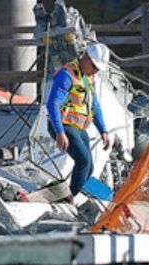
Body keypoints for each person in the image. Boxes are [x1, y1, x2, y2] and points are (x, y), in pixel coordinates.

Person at [45, 43, 111, 200]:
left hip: (78, 128)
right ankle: (68, 198)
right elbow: (52, 104)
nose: (95, 70)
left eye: (98, 68)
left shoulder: (88, 78)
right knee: (83, 160)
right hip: (63, 126)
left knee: (89, 167)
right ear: (85, 57)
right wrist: (60, 133)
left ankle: (103, 196)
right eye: (94, 66)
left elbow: (94, 106)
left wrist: (103, 130)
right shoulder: (67, 75)